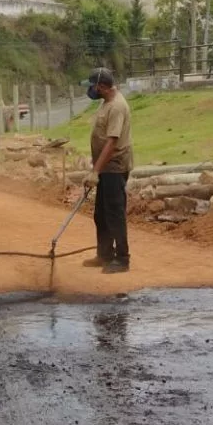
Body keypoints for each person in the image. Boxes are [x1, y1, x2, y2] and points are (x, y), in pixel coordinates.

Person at [82, 67, 133, 273]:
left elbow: (112, 142)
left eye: (93, 86)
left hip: (114, 166)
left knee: (114, 214)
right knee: (100, 214)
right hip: (104, 167)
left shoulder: (117, 107)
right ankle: (104, 254)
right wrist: (96, 168)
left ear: (102, 87)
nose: (91, 90)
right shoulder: (106, 103)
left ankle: (122, 258)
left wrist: (96, 171)